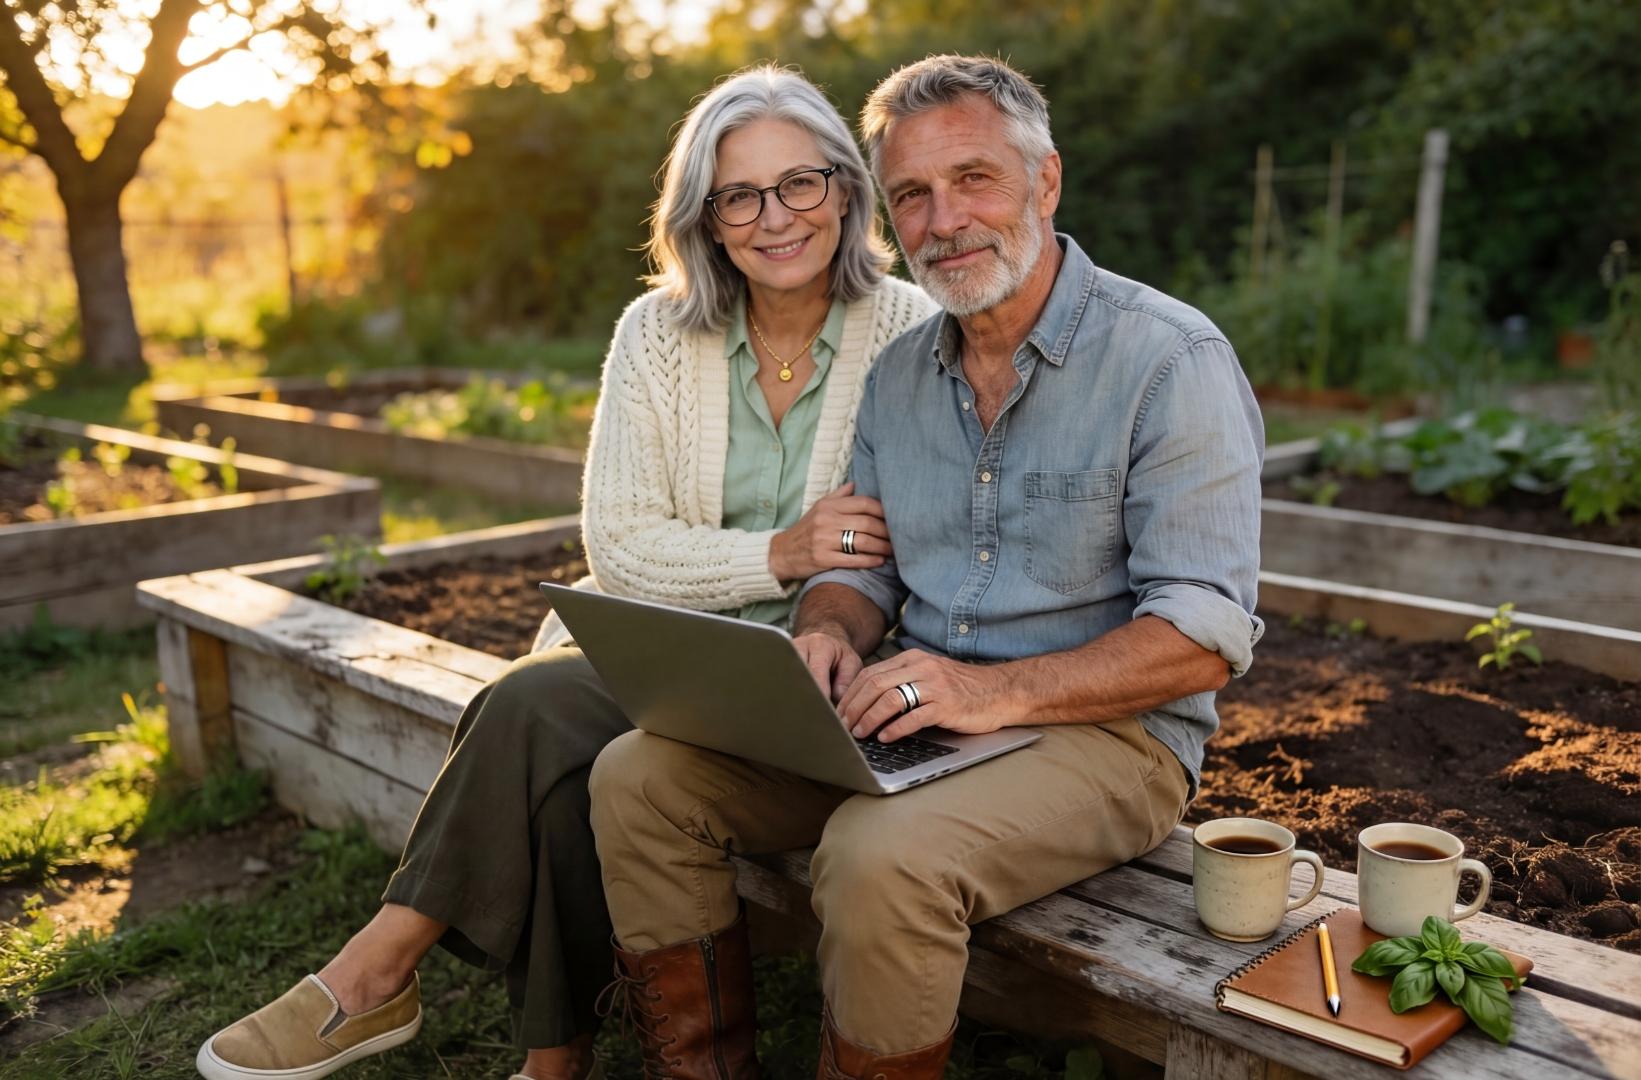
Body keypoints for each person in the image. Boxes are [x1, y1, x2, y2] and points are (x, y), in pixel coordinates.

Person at [194, 65, 934, 1080]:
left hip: (809, 675)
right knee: (546, 740)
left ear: (846, 191)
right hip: (661, 643)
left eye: (800, 184)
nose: (774, 218)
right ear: (706, 221)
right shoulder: (656, 334)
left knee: (532, 710)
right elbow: (620, 543)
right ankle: (526, 1047)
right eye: (739, 196)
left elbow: (886, 553)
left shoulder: (909, 336)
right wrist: (780, 550)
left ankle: (402, 989)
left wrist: (807, 580)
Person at [586, 54, 1265, 1078]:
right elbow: (861, 567)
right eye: (912, 194)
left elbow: (1205, 635)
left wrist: (989, 691)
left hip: (1109, 740)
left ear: (1045, 181)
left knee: (877, 854)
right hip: (916, 715)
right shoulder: (903, 373)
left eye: (974, 179)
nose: (944, 220)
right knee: (640, 777)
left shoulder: (1169, 359)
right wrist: (823, 632)